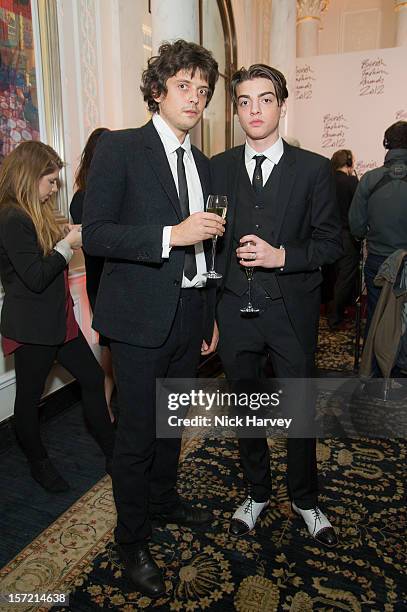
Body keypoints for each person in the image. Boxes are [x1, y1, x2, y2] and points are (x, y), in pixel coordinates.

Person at [82, 40, 222, 598]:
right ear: (158, 90)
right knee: (136, 435)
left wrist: (208, 311)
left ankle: (164, 500)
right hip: (138, 321)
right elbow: (96, 234)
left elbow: (209, 249)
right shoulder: (120, 149)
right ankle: (131, 538)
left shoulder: (203, 162)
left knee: (172, 425)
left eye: (204, 91)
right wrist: (171, 235)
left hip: (189, 314)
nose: (195, 98)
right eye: (184, 86)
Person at [211, 64, 342, 547]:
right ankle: (257, 492)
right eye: (244, 102)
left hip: (291, 313)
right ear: (236, 110)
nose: (255, 110)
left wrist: (282, 256)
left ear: (282, 105)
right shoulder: (218, 167)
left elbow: (332, 244)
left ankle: (306, 499)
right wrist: (209, 314)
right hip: (233, 314)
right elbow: (209, 247)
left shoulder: (313, 169)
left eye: (265, 100)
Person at [0, 141, 115, 493]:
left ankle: (114, 452)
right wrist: (68, 246)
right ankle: (40, 465)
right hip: (33, 327)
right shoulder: (11, 216)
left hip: (59, 320)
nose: (53, 190)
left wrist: (64, 236)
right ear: (30, 177)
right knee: (29, 400)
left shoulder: (32, 212)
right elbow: (35, 276)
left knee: (93, 379)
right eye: (50, 182)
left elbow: (40, 252)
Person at [70, 128, 115, 422]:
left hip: (107, 282)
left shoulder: (90, 195)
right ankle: (110, 409)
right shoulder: (86, 198)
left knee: (112, 347)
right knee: (113, 346)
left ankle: (110, 408)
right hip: (105, 282)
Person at [349, 121, 407, 339]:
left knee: (376, 316)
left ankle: (373, 366)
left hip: (378, 261)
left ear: (386, 143)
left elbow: (355, 225)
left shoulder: (370, 179)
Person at [327, 149, 359, 329]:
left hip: (328, 235)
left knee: (332, 276)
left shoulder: (327, 181)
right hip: (346, 236)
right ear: (348, 163)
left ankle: (331, 311)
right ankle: (336, 317)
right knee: (345, 278)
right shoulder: (351, 181)